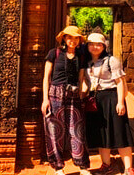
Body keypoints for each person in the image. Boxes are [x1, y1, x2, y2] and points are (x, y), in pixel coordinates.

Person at [83, 33, 134, 175]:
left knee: (120, 131)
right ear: (87, 45)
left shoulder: (112, 61)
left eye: (98, 44)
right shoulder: (86, 62)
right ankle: (106, 164)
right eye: (91, 44)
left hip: (112, 97)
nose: (95, 47)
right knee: (102, 134)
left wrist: (120, 102)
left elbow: (119, 82)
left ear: (104, 46)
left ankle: (128, 168)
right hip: (96, 99)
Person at [42, 25, 91, 175]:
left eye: (76, 38)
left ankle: (82, 166)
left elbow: (81, 77)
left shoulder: (80, 56)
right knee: (54, 131)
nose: (72, 40)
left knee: (77, 131)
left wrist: (83, 91)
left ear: (79, 40)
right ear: (64, 38)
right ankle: (58, 167)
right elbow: (46, 78)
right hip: (55, 94)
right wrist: (45, 99)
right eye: (69, 37)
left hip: (74, 96)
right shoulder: (54, 53)